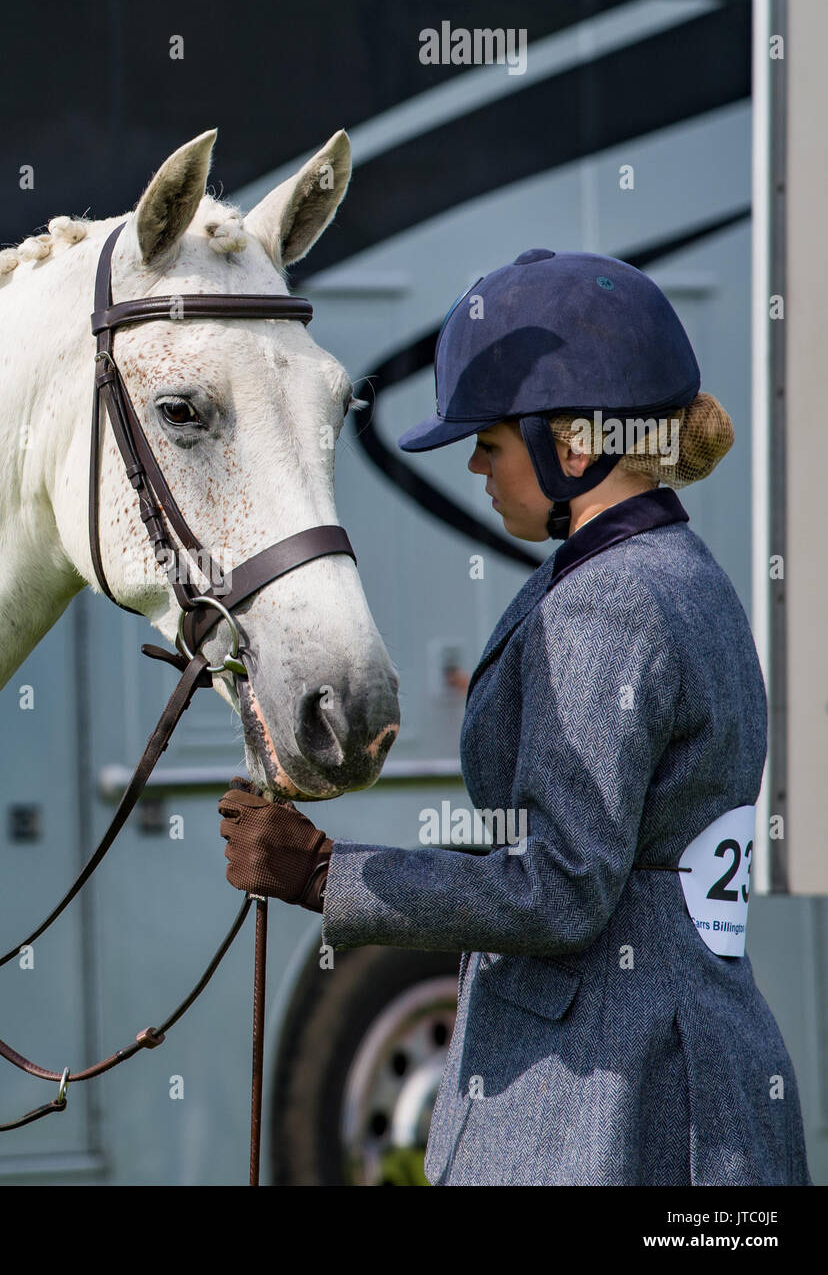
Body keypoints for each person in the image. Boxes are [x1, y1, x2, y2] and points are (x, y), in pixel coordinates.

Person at [217, 248, 812, 1186]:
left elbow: (560, 886)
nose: (474, 465)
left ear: (570, 447)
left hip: (611, 1111)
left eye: (489, 443)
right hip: (694, 1088)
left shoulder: (607, 601)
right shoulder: (685, 572)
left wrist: (323, 874)